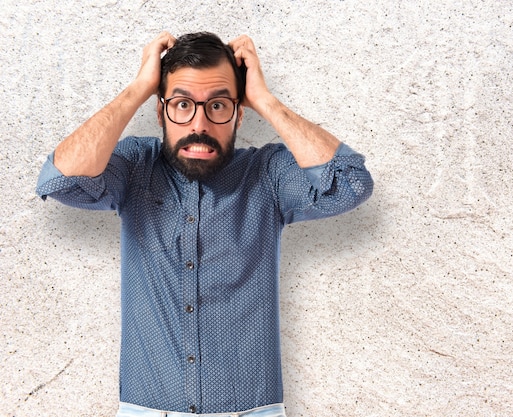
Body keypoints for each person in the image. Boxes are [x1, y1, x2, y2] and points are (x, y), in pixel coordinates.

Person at [36, 31, 373, 416]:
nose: (200, 124)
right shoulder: (135, 168)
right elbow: (60, 179)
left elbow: (351, 184)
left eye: (217, 105)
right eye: (182, 104)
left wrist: (265, 99)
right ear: (161, 111)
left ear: (239, 112)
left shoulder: (267, 173)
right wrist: (139, 88)